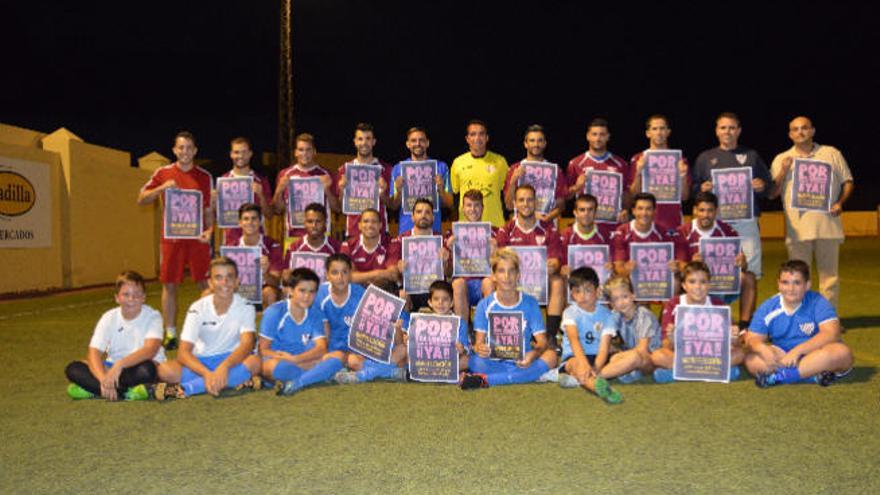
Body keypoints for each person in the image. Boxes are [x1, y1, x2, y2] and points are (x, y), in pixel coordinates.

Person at [137, 131, 213, 350]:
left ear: (195, 151)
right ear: (174, 150)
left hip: (196, 239)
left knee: (205, 283)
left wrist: (209, 231)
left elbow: (208, 209)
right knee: (170, 284)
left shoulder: (204, 176)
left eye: (189, 148)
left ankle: (206, 329)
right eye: (181, 147)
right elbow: (141, 198)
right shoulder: (163, 173)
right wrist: (162, 188)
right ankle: (170, 333)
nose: (185, 152)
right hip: (171, 239)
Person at [769, 116, 854, 309]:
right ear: (790, 134)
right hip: (797, 229)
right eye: (795, 129)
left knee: (829, 278)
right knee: (797, 279)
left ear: (812, 131)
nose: (800, 132)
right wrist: (783, 171)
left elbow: (847, 181)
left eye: (804, 128)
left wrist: (840, 202)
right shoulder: (781, 158)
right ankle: (801, 318)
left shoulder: (831, 153)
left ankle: (829, 319)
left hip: (828, 225)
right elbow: (772, 193)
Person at [153, 257, 263, 399]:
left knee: (255, 362)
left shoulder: (246, 307)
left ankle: (189, 388)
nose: (224, 283)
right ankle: (233, 381)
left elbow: (247, 344)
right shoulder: (197, 308)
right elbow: (183, 353)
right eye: (218, 278)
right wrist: (207, 373)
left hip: (231, 360)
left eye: (229, 277)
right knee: (164, 370)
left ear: (237, 282)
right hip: (201, 361)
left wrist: (224, 367)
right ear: (210, 283)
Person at [64, 271, 173, 401]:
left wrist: (120, 365)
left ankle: (94, 389)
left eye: (137, 295)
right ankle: (124, 392)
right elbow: (94, 352)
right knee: (73, 368)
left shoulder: (153, 316)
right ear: (117, 298)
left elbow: (150, 350)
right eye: (126, 294)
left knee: (147, 370)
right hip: (112, 368)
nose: (131, 299)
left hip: (137, 367)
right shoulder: (108, 317)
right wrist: (103, 379)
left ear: (144, 297)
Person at [459, 248, 557, 389]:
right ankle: (527, 375)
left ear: (518, 275)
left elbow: (542, 342)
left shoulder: (530, 303)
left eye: (511, 271)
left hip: (523, 360)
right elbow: (477, 344)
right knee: (472, 361)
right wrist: (480, 348)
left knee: (551, 356)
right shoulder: (484, 305)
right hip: (492, 361)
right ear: (493, 276)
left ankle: (487, 380)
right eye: (501, 271)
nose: (507, 276)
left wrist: (533, 354)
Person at [745, 260, 853, 387]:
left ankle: (781, 376)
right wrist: (761, 348)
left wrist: (797, 351)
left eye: (797, 283)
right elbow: (752, 339)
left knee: (842, 353)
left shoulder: (818, 301)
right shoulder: (768, 307)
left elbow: (832, 334)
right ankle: (812, 376)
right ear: (778, 284)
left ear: (807, 285)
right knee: (751, 360)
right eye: (785, 282)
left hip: (816, 352)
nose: (790, 289)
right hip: (784, 354)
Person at [692, 113, 772, 280]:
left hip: (746, 222)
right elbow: (693, 190)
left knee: (750, 273)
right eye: (723, 127)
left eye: (732, 127)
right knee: (714, 274)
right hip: (716, 222)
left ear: (739, 131)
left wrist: (761, 186)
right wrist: (702, 189)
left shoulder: (752, 155)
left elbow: (768, 187)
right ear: (716, 131)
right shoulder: (705, 158)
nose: (727, 131)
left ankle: (749, 307)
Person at [493, 184, 566, 345]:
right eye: (521, 200)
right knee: (492, 280)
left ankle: (550, 337)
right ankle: (501, 334)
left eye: (530, 200)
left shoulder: (549, 230)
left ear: (536, 203)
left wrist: (552, 265)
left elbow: (556, 260)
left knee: (558, 281)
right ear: (515, 204)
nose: (525, 204)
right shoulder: (506, 230)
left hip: (539, 281)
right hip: (513, 281)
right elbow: (498, 261)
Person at [650, 261, 744, 383]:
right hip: (685, 355)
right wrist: (672, 338)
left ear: (709, 285)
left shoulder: (718, 305)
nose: (698, 287)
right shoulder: (673, 304)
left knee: (739, 354)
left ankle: (677, 374)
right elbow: (666, 345)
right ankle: (716, 373)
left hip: (710, 355)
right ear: (684, 285)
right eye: (692, 282)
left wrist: (733, 337)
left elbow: (735, 344)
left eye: (703, 282)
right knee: (657, 356)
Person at [261, 269, 346, 396]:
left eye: (312, 292)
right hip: (282, 362)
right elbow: (263, 350)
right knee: (269, 367)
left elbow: (322, 348)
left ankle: (297, 383)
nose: (307, 296)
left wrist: (296, 359)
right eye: (302, 291)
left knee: (339, 356)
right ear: (290, 290)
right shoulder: (274, 312)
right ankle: (318, 375)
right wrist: (290, 360)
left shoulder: (315, 313)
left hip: (302, 359)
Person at [677, 192, 757, 328]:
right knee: (675, 280)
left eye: (710, 211)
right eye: (701, 210)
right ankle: (675, 319)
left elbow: (742, 266)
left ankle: (744, 325)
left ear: (716, 212)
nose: (705, 215)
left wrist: (742, 263)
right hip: (695, 282)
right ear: (694, 210)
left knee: (749, 277)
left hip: (722, 281)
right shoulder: (683, 231)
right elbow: (679, 264)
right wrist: (692, 264)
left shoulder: (727, 231)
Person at [551, 267, 623, 404]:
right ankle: (600, 388)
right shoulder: (570, 312)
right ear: (572, 294)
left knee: (620, 358)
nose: (582, 296)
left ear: (597, 291)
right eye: (577, 291)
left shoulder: (607, 315)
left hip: (598, 357)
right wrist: (584, 364)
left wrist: (596, 366)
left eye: (588, 290)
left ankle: (578, 378)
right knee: (577, 366)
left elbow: (604, 346)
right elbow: (574, 340)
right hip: (575, 356)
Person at [272, 133, 339, 250]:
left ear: (314, 152)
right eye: (301, 150)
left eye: (308, 150)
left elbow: (337, 208)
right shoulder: (285, 174)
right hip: (293, 237)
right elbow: (278, 210)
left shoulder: (326, 174)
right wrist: (278, 190)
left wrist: (327, 190)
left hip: (322, 237)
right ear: (295, 152)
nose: (304, 154)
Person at [565, 118, 631, 237]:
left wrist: (626, 210)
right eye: (594, 134)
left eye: (602, 134)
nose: (598, 138)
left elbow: (626, 193)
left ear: (608, 137)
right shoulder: (575, 163)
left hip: (613, 226)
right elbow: (566, 197)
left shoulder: (621, 164)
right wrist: (577, 187)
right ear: (588, 136)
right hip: (586, 227)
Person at [628, 114, 691, 234]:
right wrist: (638, 173)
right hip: (645, 222)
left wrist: (682, 177)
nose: (659, 132)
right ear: (648, 133)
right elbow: (633, 196)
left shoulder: (679, 159)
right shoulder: (638, 159)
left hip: (673, 221)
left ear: (668, 132)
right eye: (654, 129)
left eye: (662, 128)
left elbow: (685, 197)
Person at [446, 189, 499, 323]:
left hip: (484, 283)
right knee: (458, 283)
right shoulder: (452, 234)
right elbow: (447, 272)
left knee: (489, 282)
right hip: (463, 284)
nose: (473, 209)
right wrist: (449, 252)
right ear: (463, 208)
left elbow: (502, 268)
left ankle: (488, 333)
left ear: (482, 208)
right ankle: (463, 334)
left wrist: (496, 253)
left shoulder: (495, 232)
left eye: (477, 205)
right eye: (469, 205)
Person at [390, 126, 453, 234]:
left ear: (427, 143)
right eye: (413, 140)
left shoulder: (441, 167)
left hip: (433, 230)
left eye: (421, 140)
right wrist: (399, 191)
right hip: (406, 230)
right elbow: (393, 206)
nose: (418, 143)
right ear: (408, 144)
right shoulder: (398, 169)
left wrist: (441, 190)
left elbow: (450, 203)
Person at [598, 276, 660, 383]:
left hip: (650, 360)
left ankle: (594, 377)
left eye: (625, 297)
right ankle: (617, 371)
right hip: (630, 356)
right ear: (612, 304)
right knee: (611, 356)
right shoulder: (615, 315)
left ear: (633, 296)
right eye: (616, 299)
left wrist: (619, 355)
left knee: (633, 357)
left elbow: (642, 350)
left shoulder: (643, 315)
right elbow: (604, 341)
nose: (621, 302)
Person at [610, 192, 685, 281]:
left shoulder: (663, 233)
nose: (644, 213)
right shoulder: (622, 232)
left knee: (676, 280)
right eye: (640, 209)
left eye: (648, 209)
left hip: (656, 282)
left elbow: (681, 265)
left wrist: (675, 268)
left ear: (654, 211)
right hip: (630, 283)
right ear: (633, 211)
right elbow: (618, 269)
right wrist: (627, 269)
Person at [400, 280, 470, 374]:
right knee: (403, 351)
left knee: (467, 360)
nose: (440, 303)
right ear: (430, 302)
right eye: (436, 299)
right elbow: (412, 344)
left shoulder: (459, 323)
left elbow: (465, 349)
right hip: (426, 360)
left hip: (448, 361)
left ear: (452, 303)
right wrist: (407, 340)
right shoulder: (421, 321)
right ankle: (434, 372)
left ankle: (426, 372)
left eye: (445, 299)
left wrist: (462, 349)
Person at [392, 198, 450, 312]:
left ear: (433, 218)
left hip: (435, 288)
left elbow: (449, 273)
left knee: (443, 292)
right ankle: (404, 328)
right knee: (402, 294)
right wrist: (399, 269)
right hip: (411, 288)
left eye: (427, 212)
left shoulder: (441, 239)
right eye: (419, 212)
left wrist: (445, 262)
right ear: (412, 217)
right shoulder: (401, 239)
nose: (423, 215)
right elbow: (394, 274)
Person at [336, 123, 392, 238]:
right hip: (353, 232)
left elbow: (392, 205)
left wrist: (383, 192)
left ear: (374, 142)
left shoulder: (386, 169)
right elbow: (339, 207)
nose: (364, 143)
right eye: (360, 139)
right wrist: (341, 190)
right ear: (355, 142)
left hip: (379, 233)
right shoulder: (344, 169)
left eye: (368, 139)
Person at [502, 124, 567, 224]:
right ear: (525, 144)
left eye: (540, 140)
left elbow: (561, 205)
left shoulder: (556, 170)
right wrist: (513, 182)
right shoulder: (515, 169)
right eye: (532, 140)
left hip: (547, 226)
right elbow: (509, 206)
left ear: (545, 143)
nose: (536, 144)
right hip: (521, 228)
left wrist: (547, 218)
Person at [450, 119, 509, 228]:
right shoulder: (458, 163)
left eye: (481, 134)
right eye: (473, 134)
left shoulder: (500, 162)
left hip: (495, 225)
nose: (477, 138)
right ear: (467, 139)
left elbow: (509, 198)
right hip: (466, 227)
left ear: (487, 138)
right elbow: (454, 196)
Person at [217, 136, 273, 245]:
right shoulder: (223, 181)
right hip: (231, 241)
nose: (240, 156)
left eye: (244, 152)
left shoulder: (260, 180)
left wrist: (261, 195)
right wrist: (214, 201)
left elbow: (269, 215)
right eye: (236, 152)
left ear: (250, 154)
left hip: (256, 242)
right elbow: (217, 215)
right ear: (231, 154)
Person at [224, 203, 283, 306]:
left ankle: (268, 322)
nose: (250, 222)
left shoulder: (272, 245)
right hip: (240, 290)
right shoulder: (232, 248)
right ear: (240, 223)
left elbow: (276, 283)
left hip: (262, 290)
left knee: (269, 293)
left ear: (260, 221)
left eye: (254, 218)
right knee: (208, 293)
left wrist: (265, 273)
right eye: (246, 219)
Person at [315, 253, 366, 370]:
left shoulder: (362, 295)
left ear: (351, 274)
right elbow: (319, 333)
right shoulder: (319, 295)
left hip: (355, 351)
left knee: (355, 362)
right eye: (334, 272)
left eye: (344, 272)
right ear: (327, 275)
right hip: (330, 350)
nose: (340, 277)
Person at [339, 208, 400, 287]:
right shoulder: (348, 245)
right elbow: (346, 276)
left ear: (380, 225)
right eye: (366, 221)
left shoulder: (391, 243)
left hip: (383, 290)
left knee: (403, 294)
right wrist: (379, 273)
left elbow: (393, 275)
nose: (370, 225)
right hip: (358, 290)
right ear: (359, 225)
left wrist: (360, 276)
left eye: (374, 222)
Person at [282, 202, 341, 275]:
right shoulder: (294, 248)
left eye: (318, 221)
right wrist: (286, 276)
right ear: (304, 223)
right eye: (310, 221)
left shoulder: (337, 247)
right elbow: (284, 278)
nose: (314, 226)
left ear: (325, 223)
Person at [560, 194, 612, 276]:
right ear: (575, 213)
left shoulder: (605, 234)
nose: (586, 213)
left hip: (599, 283)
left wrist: (612, 267)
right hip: (574, 283)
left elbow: (613, 264)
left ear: (595, 212)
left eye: (590, 210)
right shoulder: (566, 235)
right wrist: (562, 270)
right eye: (582, 210)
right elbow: (560, 266)